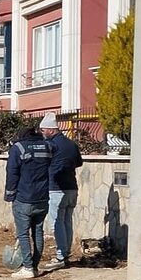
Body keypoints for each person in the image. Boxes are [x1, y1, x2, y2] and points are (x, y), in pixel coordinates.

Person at [4, 118, 54, 279]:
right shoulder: (48, 147)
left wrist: (9, 194)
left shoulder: (18, 148)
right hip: (43, 197)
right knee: (38, 231)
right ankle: (35, 266)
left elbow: (12, 172)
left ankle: (27, 267)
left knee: (23, 233)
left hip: (24, 197)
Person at [40, 113, 83, 270]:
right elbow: (78, 162)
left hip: (56, 189)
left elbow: (45, 164)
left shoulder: (51, 146)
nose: (42, 134)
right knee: (67, 221)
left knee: (57, 222)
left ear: (51, 130)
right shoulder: (71, 144)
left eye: (43, 130)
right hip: (72, 187)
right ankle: (65, 253)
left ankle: (60, 255)